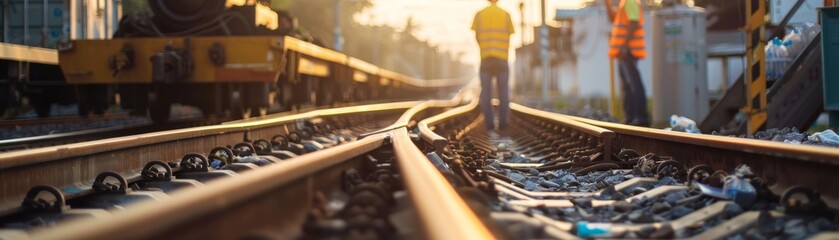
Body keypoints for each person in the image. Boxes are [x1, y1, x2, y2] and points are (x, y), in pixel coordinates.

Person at [604, 0, 650, 126]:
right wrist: (607, 4)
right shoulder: (623, 3)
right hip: (623, 52)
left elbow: (634, 23)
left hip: (628, 51)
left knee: (634, 84)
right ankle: (630, 117)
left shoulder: (631, 2)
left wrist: (624, 46)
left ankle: (641, 117)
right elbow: (613, 18)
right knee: (627, 86)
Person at [472, 0, 514, 130]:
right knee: (503, 91)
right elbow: (509, 35)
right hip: (502, 58)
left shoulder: (479, 14)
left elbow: (477, 36)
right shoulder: (506, 14)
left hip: (486, 58)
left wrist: (485, 48)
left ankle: (489, 123)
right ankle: (503, 123)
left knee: (486, 92)